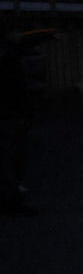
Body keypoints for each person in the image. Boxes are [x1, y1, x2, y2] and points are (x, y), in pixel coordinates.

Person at [0, 17, 36, 217]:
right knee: (12, 158)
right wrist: (24, 114)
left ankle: (8, 198)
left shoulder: (6, 53)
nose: (19, 35)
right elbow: (16, 90)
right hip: (10, 115)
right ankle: (11, 201)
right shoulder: (9, 58)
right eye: (16, 32)